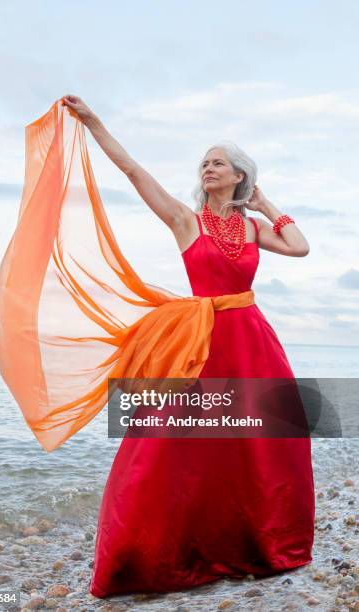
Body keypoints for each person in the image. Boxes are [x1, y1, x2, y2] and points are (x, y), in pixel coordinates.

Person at [60, 95, 315, 598]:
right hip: (199, 340)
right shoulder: (184, 220)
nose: (208, 168)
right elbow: (134, 172)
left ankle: (255, 542)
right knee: (172, 444)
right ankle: (153, 548)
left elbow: (301, 247)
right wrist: (94, 122)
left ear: (239, 176)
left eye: (218, 162)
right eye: (204, 163)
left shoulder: (250, 226)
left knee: (262, 443)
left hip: (253, 341)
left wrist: (267, 205)